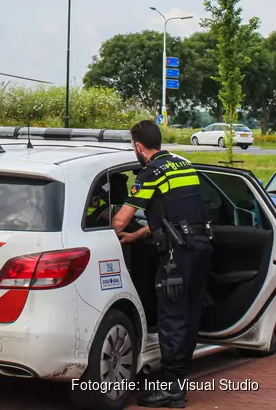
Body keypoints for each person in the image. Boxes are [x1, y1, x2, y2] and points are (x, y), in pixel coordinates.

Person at [111, 120, 214, 408]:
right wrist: (138, 234)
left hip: (176, 256)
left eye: (134, 147)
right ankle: (178, 382)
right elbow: (176, 215)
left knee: (171, 320)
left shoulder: (150, 173)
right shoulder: (184, 166)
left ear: (138, 147)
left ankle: (173, 392)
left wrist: (103, 227)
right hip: (200, 247)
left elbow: (119, 219)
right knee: (189, 316)